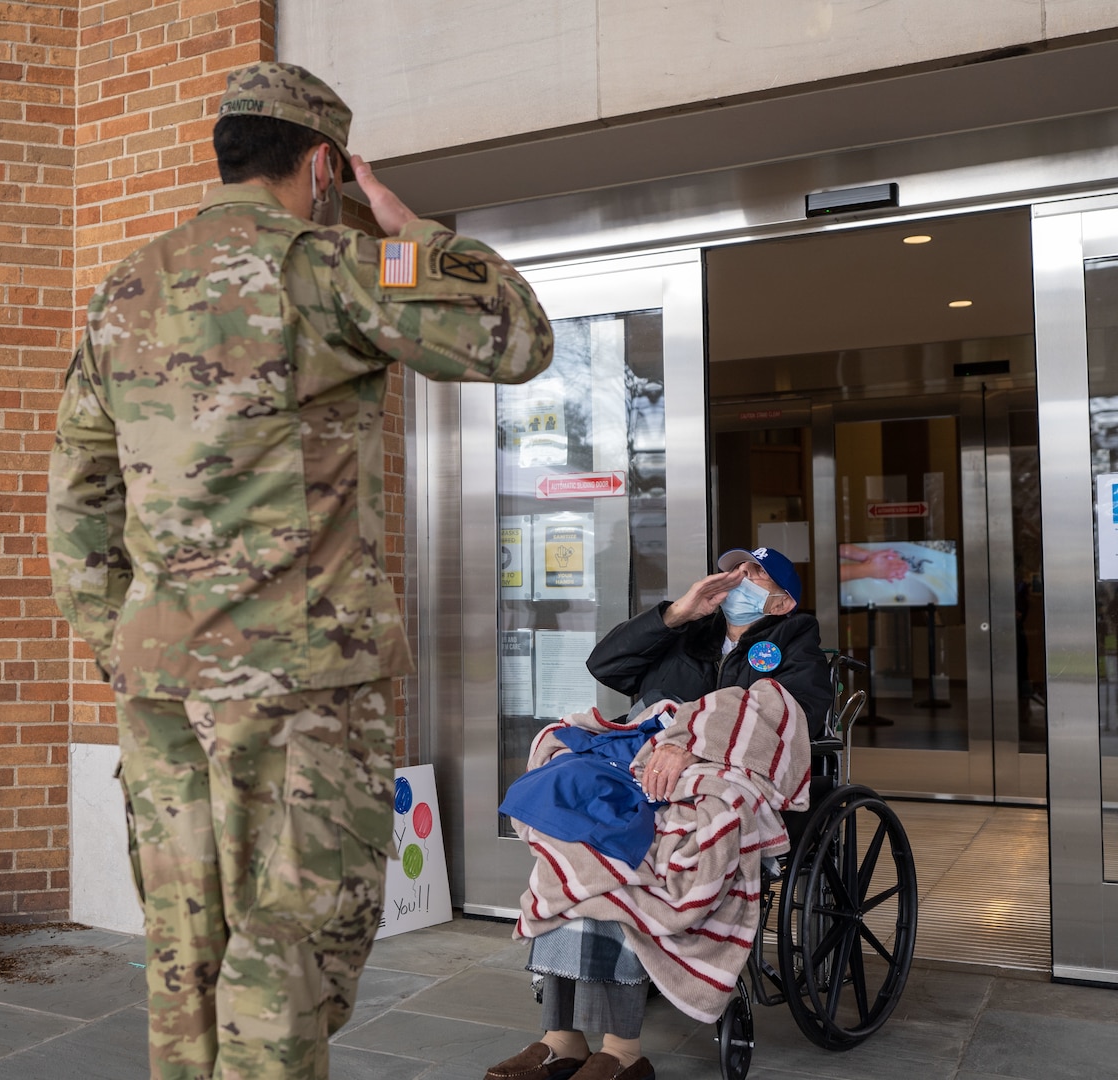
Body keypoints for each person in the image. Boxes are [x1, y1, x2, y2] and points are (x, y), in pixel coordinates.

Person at [47, 62, 553, 1080]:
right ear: (322, 163)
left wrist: (125, 641)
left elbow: (78, 501)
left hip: (158, 686)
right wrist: (414, 235)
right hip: (299, 686)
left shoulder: (122, 290)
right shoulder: (324, 265)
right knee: (289, 949)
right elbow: (515, 335)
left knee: (188, 959)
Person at [483, 547, 829, 1080]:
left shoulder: (793, 636)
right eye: (734, 567)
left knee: (636, 850)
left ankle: (621, 1052)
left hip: (709, 777)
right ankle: (561, 1039)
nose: (739, 578)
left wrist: (696, 742)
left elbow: (789, 710)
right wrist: (678, 613)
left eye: (755, 572)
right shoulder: (690, 631)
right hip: (639, 768)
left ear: (781, 601)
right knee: (573, 825)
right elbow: (607, 665)